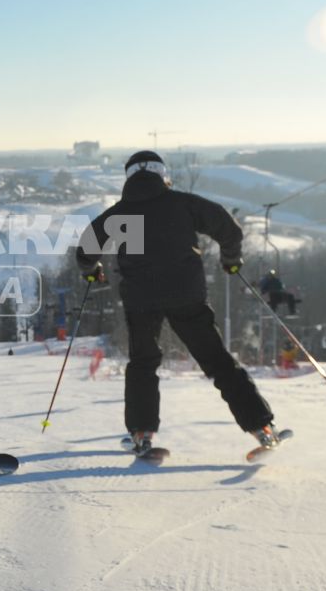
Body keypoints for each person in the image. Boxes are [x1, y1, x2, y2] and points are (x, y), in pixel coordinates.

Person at [75, 151, 275, 457]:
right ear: (162, 174)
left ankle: (142, 435)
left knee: (143, 363)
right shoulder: (183, 203)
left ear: (128, 178)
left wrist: (92, 271)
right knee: (219, 363)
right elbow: (228, 228)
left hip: (140, 300)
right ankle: (261, 428)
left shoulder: (119, 214)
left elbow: (87, 247)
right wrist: (230, 259)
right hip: (186, 295)